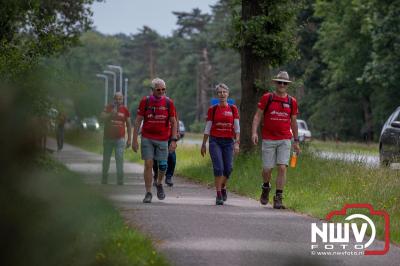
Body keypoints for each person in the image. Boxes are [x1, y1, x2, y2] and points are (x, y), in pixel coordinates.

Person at [251, 71, 301, 209]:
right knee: (267, 169)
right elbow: (257, 116)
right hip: (268, 138)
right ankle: (266, 187)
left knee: (282, 167)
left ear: (287, 85)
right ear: (275, 83)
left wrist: (296, 141)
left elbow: (294, 122)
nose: (282, 85)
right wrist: (254, 132)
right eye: (280, 82)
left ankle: (278, 197)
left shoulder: (292, 101)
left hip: (285, 139)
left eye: (285, 83)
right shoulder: (268, 97)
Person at [132, 78, 178, 203]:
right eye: (158, 89)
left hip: (163, 139)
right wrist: (134, 139)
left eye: (163, 89)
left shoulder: (169, 103)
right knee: (148, 164)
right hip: (147, 138)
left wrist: (173, 140)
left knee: (163, 165)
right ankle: (148, 193)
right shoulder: (145, 101)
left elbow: (173, 122)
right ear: (152, 90)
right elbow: (138, 121)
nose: (161, 92)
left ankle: (158, 183)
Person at [201, 83, 240, 205]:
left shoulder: (233, 109)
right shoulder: (213, 110)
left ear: (228, 94)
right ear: (217, 95)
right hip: (215, 141)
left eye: (224, 92)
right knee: (219, 168)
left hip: (228, 142)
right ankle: (218, 194)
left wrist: (237, 143)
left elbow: (237, 128)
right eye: (220, 92)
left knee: (228, 169)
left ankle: (223, 186)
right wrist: (203, 144)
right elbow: (208, 128)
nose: (222, 94)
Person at [100, 92, 131, 185]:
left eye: (120, 99)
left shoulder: (125, 110)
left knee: (119, 158)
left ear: (122, 99)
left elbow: (129, 125)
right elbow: (101, 117)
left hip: (120, 139)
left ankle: (120, 179)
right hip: (108, 139)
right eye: (116, 99)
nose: (118, 101)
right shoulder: (108, 107)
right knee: (106, 159)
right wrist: (110, 114)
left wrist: (129, 139)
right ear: (114, 99)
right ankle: (104, 178)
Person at [153, 111, 180, 187]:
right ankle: (156, 176)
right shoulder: (155, 105)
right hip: (158, 136)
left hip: (170, 136)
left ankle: (168, 177)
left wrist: (177, 132)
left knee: (172, 157)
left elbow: (176, 120)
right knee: (155, 158)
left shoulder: (170, 104)